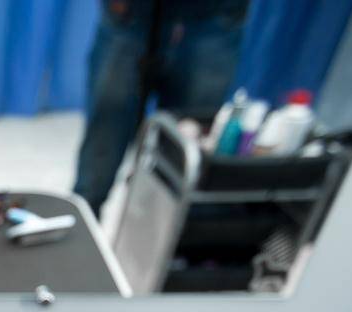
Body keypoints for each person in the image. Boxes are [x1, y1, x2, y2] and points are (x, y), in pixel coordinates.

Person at [73, 0, 249, 217]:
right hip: (132, 14)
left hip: (213, 14)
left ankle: (162, 242)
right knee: (102, 149)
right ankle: (81, 229)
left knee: (185, 148)